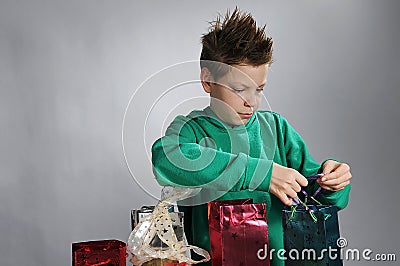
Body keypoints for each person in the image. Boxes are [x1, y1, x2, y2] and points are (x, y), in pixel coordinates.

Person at [151, 7, 352, 266]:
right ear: (208, 80)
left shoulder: (277, 130)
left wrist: (333, 183)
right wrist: (261, 174)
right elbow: (166, 159)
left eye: (259, 89)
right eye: (239, 89)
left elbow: (315, 198)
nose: (251, 102)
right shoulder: (192, 129)